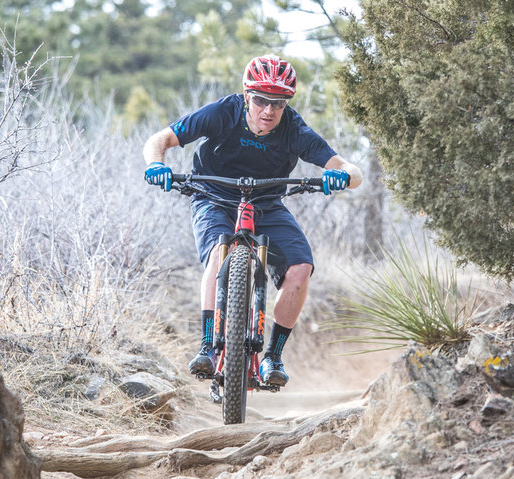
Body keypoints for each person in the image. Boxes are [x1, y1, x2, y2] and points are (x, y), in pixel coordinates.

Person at [142, 54, 362, 386]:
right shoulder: (222, 112)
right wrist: (156, 165)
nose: (268, 110)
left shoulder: (294, 129)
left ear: (287, 103)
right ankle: (207, 346)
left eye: (278, 102)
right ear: (247, 95)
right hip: (214, 197)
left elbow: (350, 168)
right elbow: (159, 140)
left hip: (266, 204)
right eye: (260, 100)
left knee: (300, 268)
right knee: (220, 255)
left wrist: (342, 177)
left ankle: (272, 356)